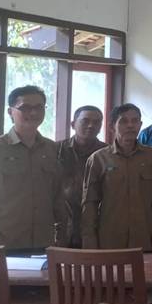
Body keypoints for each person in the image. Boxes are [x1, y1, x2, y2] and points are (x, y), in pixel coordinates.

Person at [0, 86, 64, 250]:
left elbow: (58, 196)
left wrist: (62, 235)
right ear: (10, 112)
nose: (33, 113)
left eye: (39, 107)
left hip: (44, 242)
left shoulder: (52, 149)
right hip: (3, 242)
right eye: (25, 107)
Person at [81, 103, 152, 250]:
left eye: (135, 121)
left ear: (140, 125)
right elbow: (89, 203)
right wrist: (89, 239)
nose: (130, 126)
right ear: (112, 127)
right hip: (109, 239)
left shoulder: (150, 156)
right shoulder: (98, 159)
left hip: (143, 236)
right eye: (124, 121)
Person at [56, 105, 106, 247]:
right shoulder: (56, 150)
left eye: (96, 122)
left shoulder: (107, 153)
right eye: (85, 121)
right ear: (73, 124)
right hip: (62, 222)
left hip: (96, 223)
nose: (91, 126)